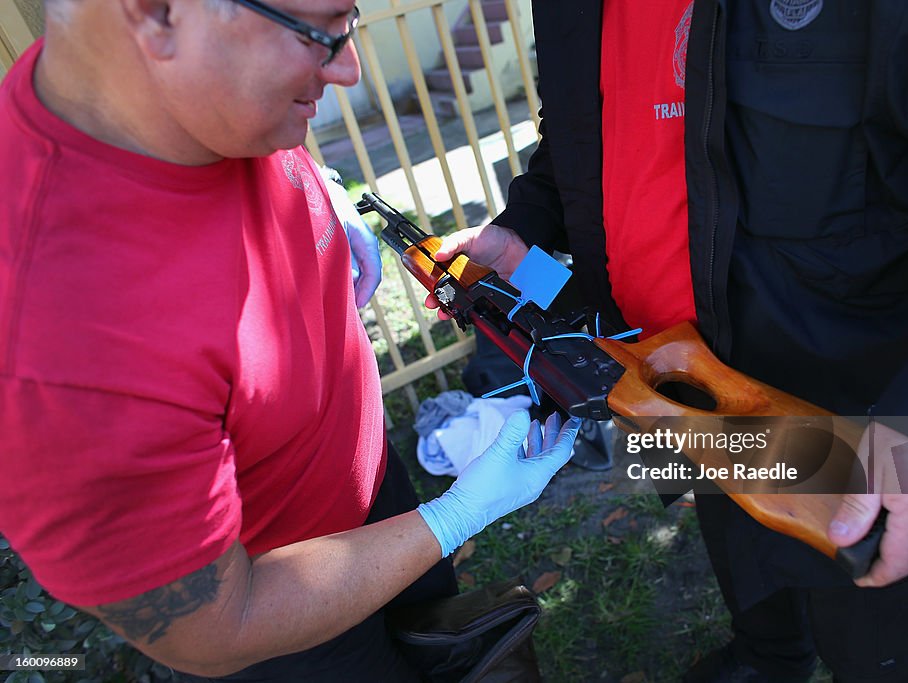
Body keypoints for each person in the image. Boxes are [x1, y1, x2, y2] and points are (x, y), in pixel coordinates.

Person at [429, 1, 908, 681]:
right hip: (671, 375)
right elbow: (582, 128)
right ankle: (769, 655)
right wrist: (527, 226)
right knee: (739, 550)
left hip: (869, 401)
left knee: (871, 622)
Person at [0, 1, 581, 681]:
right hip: (289, 636)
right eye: (322, 31)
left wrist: (319, 191)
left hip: (378, 519)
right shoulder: (53, 347)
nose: (348, 68)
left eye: (352, 20)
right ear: (157, 12)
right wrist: (457, 515)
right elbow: (213, 628)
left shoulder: (189, 99)